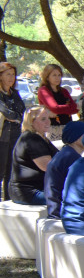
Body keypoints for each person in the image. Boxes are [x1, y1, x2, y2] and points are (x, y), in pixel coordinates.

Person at [10, 106, 59, 205]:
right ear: (31, 122)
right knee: (73, 197)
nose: (48, 122)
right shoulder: (32, 139)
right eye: (43, 119)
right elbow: (49, 166)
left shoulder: (41, 137)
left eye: (48, 118)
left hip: (40, 188)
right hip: (29, 192)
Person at [45, 121, 84, 219]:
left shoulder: (67, 153)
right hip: (61, 212)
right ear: (75, 138)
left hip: (57, 208)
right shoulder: (71, 157)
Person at [0, 61, 25, 200]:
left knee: (11, 171)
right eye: (7, 74)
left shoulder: (14, 93)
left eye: (13, 74)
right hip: (2, 136)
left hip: (15, 136)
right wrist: (15, 117)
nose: (11, 77)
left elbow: (22, 112)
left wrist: (16, 117)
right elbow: (7, 113)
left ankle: (8, 201)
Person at [36, 63, 78, 141]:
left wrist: (60, 109)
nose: (57, 78)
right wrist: (67, 108)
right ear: (47, 77)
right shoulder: (43, 90)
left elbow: (75, 109)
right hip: (52, 128)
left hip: (67, 126)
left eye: (59, 75)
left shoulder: (64, 91)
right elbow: (55, 108)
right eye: (54, 75)